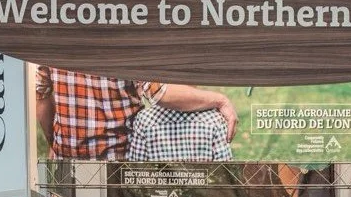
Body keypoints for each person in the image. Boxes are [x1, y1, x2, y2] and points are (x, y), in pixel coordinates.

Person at [35, 67, 237, 161]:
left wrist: (54, 143)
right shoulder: (125, 39)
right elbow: (160, 92)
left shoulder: (54, 37)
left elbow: (41, 94)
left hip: (66, 163)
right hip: (114, 166)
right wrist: (220, 100)